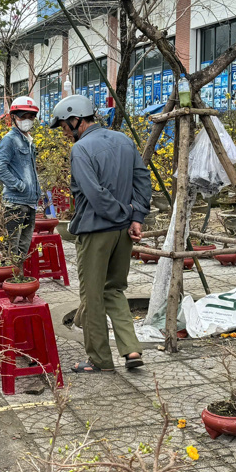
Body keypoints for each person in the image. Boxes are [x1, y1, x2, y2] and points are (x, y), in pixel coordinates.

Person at [51, 95, 148, 373]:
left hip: (97, 231)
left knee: (92, 296)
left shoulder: (81, 149)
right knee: (115, 289)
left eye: (64, 127)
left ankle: (100, 360)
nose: (65, 133)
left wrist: (121, 214)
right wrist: (135, 217)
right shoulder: (124, 140)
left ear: (76, 119)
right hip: (123, 231)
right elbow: (142, 181)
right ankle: (130, 350)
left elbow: (94, 194)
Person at [0, 96, 42, 266]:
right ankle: (9, 284)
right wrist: (19, 185)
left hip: (30, 202)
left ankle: (17, 281)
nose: (26, 120)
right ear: (13, 117)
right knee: (10, 250)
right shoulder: (9, 140)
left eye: (30, 117)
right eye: (22, 116)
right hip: (15, 202)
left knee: (23, 249)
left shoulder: (29, 141)